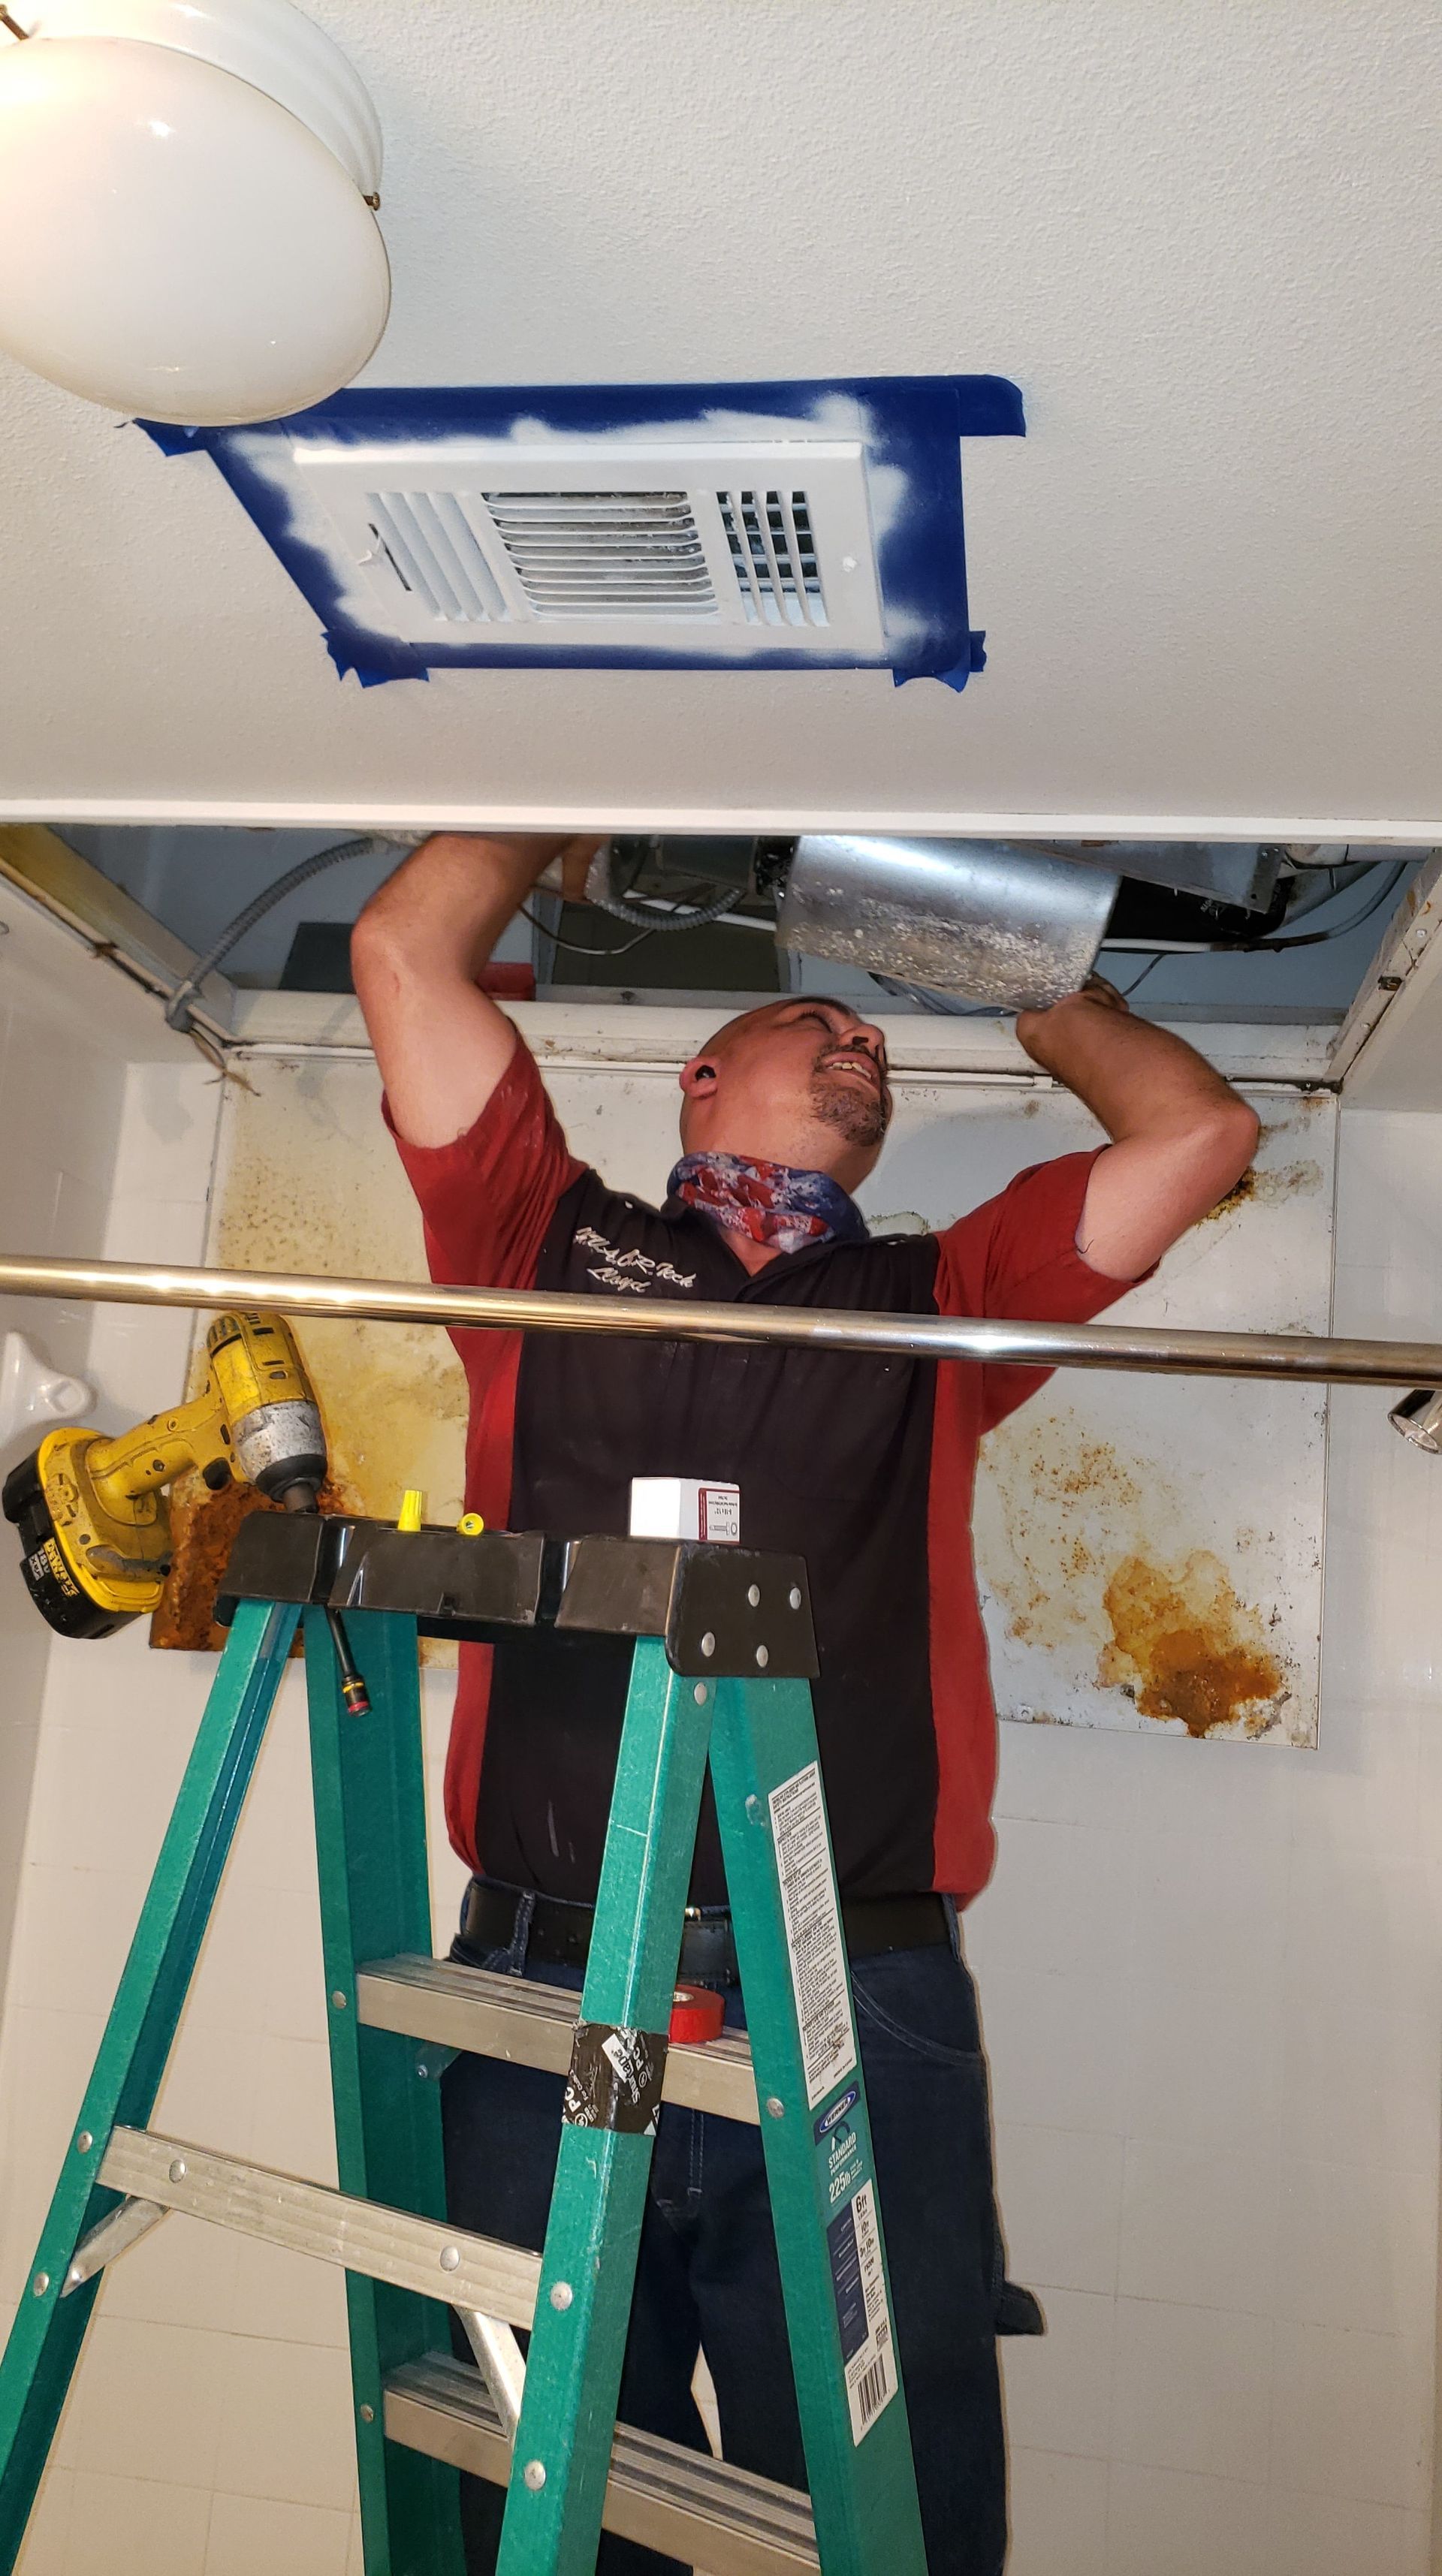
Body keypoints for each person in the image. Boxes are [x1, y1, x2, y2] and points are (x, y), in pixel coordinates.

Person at [351, 831, 1259, 2575]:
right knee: (545, 2491)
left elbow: (1197, 1139)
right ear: (701, 1080)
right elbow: (406, 952)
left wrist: (1015, 974)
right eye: (818, 1020)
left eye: (882, 1049)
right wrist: (580, 796)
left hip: (846, 1987)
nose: (865, 1046)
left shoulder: (942, 1303)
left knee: (877, 2507)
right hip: (556, 1983)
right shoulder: (537, 1233)